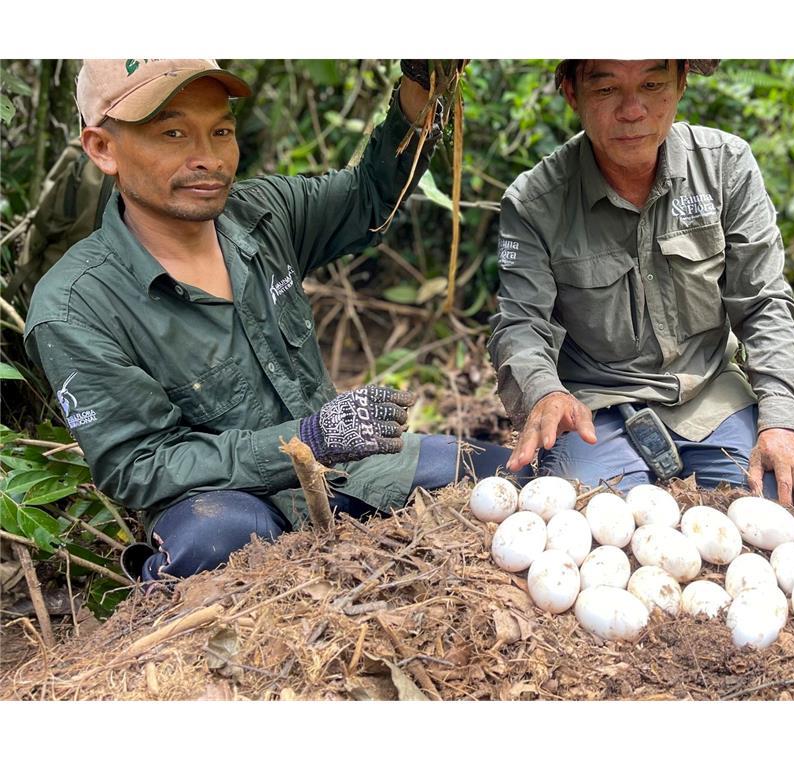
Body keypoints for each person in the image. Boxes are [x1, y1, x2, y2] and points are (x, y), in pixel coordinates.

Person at [23, 59, 518, 583]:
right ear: (102, 148)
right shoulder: (75, 307)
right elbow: (140, 466)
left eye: (221, 131)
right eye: (172, 133)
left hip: (350, 472)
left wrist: (424, 83)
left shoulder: (263, 214)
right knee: (211, 549)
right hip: (226, 503)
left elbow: (371, 198)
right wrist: (307, 438)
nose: (208, 159)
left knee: (509, 480)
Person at [488, 59, 794, 511]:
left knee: (784, 509)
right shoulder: (535, 203)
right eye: (606, 90)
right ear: (572, 93)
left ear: (681, 84)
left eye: (652, 84)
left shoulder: (726, 167)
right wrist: (545, 393)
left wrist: (781, 424)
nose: (632, 110)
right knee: (579, 523)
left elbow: (763, 303)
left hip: (713, 397)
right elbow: (520, 324)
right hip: (596, 411)